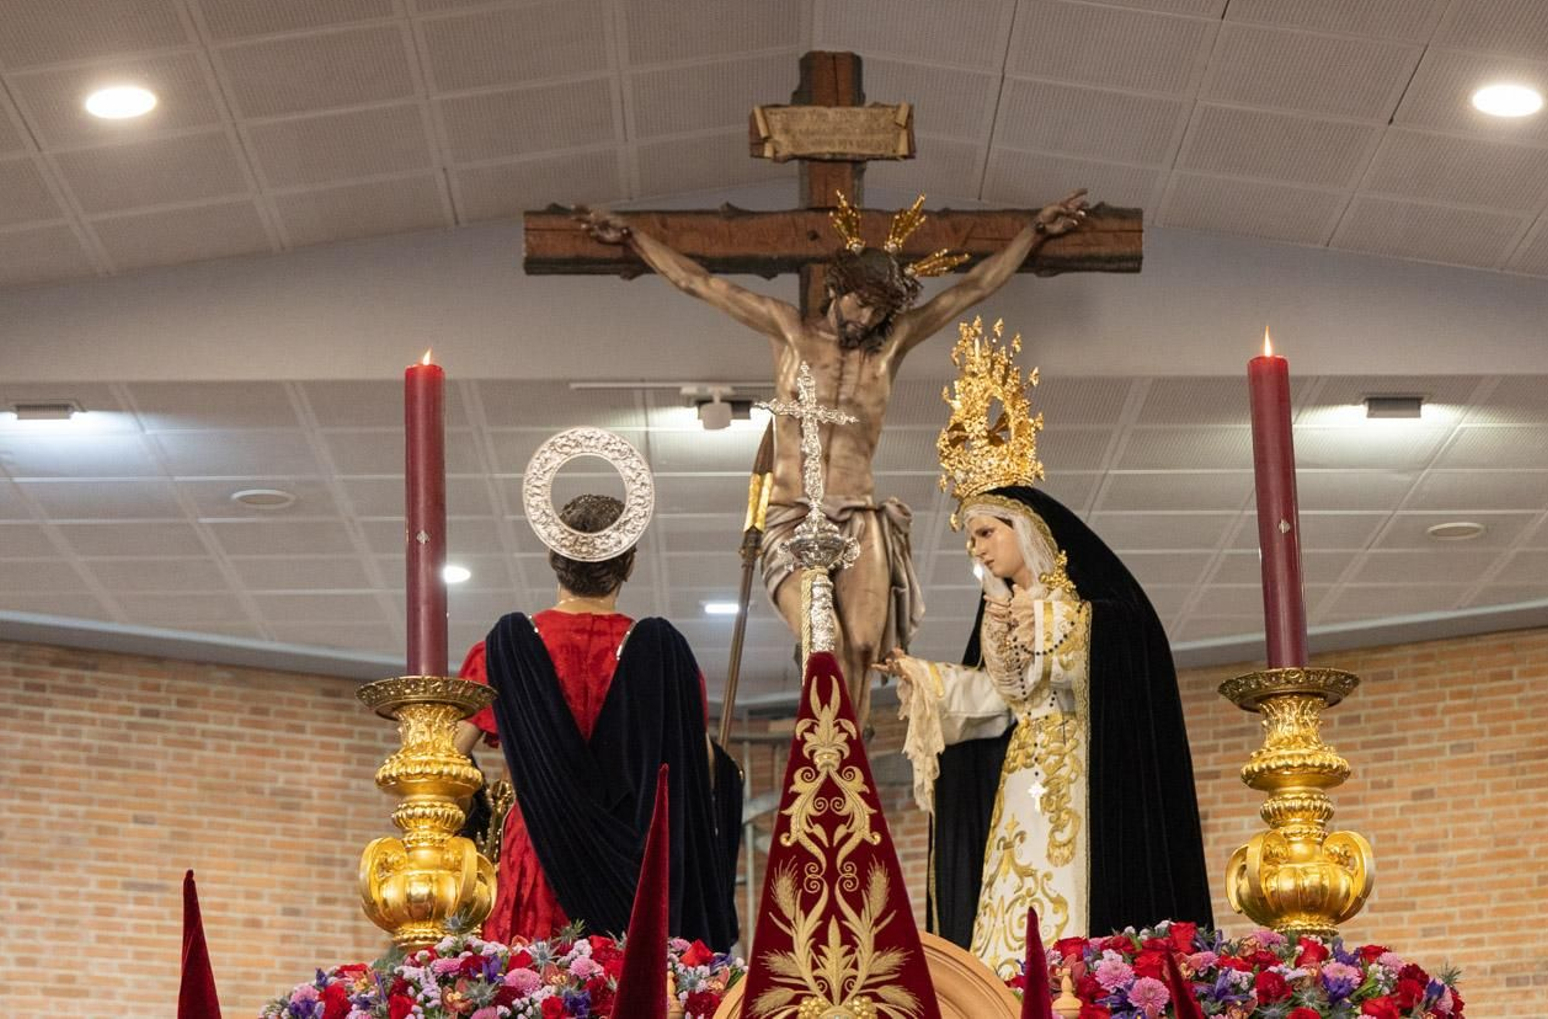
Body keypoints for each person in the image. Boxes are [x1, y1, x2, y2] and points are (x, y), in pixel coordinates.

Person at [575, 190, 1089, 721]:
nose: (865, 318)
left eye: (878, 310)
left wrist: (1034, 232)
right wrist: (634, 238)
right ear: (837, 289)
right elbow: (700, 283)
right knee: (826, 639)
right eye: (859, 302)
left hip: (861, 515)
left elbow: (973, 288)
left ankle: (853, 772)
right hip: (794, 514)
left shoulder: (890, 346)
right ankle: (822, 763)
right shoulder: (790, 330)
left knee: (866, 648)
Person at [875, 322, 1211, 978]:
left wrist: (1057, 620)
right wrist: (924, 677)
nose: (977, 547)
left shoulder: (1086, 605)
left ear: (1023, 529)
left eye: (986, 531)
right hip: (1022, 783)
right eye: (970, 536)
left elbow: (1121, 648)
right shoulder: (1000, 612)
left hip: (1084, 779)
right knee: (1011, 908)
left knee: (1075, 903)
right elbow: (996, 698)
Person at [455, 489, 739, 950]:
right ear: (628, 564)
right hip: (636, 864)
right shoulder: (666, 658)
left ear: (553, 555)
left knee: (531, 990)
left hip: (538, 853)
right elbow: (705, 768)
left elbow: (446, 762)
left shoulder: (504, 649)